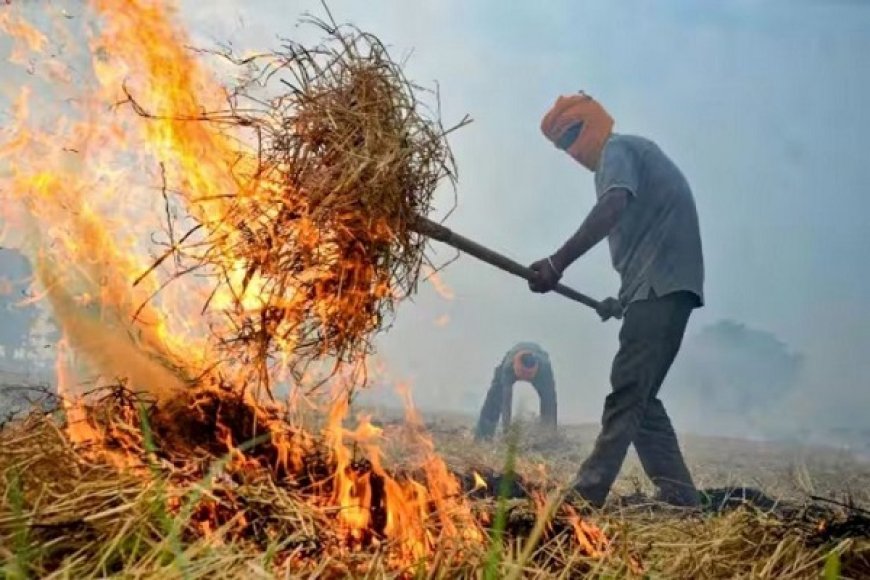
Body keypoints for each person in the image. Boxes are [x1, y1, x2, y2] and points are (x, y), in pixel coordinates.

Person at [528, 92, 704, 508]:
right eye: (561, 146)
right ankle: (682, 501)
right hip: (660, 291)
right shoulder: (631, 153)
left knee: (626, 392)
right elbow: (648, 239)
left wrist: (557, 262)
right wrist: (621, 302)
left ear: (593, 122)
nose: (571, 150)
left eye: (572, 135)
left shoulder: (617, 150)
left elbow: (612, 206)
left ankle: (585, 497)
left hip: (659, 289)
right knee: (642, 401)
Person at [474, 342, 556, 441]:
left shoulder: (544, 369)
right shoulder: (508, 367)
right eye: (523, 373)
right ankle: (482, 437)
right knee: (494, 398)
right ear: (516, 367)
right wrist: (506, 432)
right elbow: (506, 402)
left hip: (540, 362)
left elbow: (551, 403)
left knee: (549, 403)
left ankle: (548, 439)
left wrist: (549, 431)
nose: (525, 377)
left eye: (528, 374)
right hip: (512, 356)